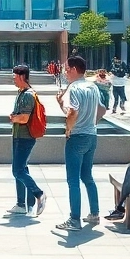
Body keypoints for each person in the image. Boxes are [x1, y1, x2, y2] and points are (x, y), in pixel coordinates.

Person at [55, 55, 106, 231]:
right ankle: (94, 213)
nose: (65, 73)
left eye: (67, 70)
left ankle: (74, 219)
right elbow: (102, 109)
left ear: (75, 70)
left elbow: (72, 113)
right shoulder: (93, 87)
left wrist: (68, 130)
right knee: (87, 176)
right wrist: (92, 123)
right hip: (92, 136)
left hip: (76, 137)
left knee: (73, 180)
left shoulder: (73, 88)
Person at [5, 65, 47, 217]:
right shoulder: (21, 93)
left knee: (17, 170)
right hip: (18, 136)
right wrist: (15, 116)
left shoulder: (28, 95)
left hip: (25, 137)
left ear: (22, 77)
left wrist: (15, 118)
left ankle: (39, 194)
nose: (13, 80)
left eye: (15, 77)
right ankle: (23, 204)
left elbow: (24, 118)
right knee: (22, 169)